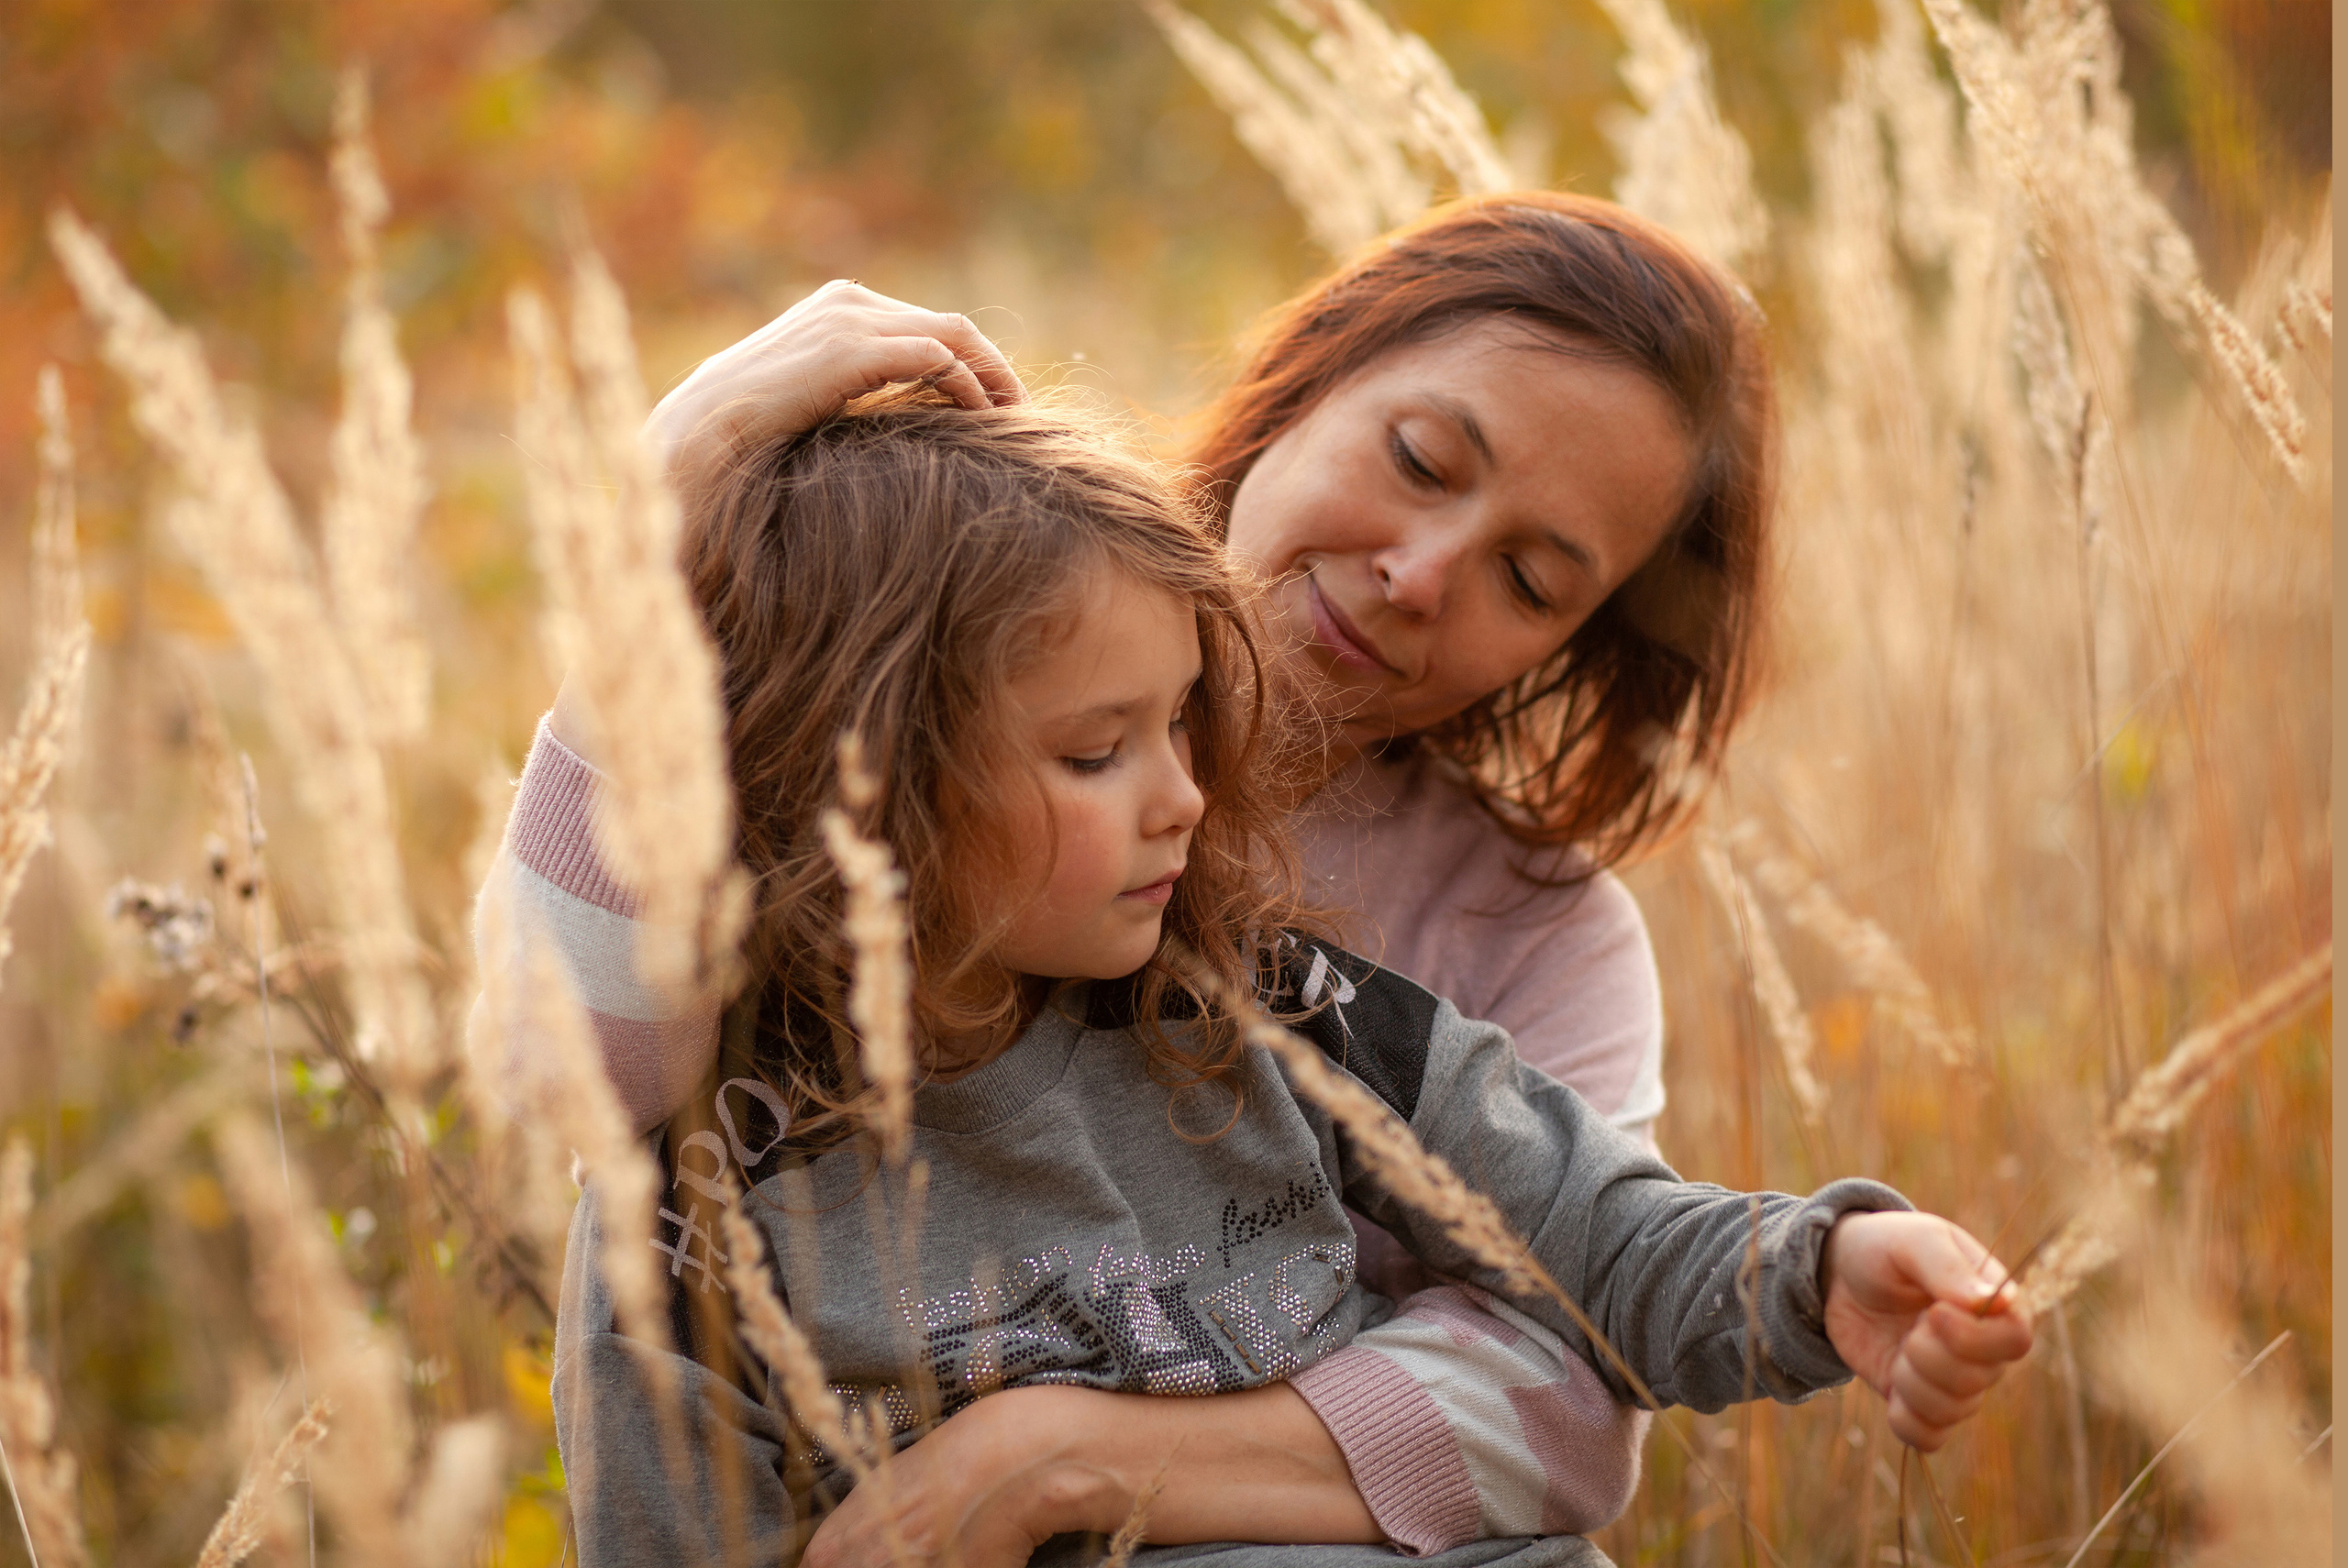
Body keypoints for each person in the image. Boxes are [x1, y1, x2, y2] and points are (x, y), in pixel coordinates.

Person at [500, 388, 2032, 1568]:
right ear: (867, 781)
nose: (1181, 795)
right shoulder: (710, 1197)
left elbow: (1598, 1235)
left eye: (1182, 724)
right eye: (1098, 752)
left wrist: (1816, 1272)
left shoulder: (1275, 1007)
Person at [604, 193, 1777, 1553]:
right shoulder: (918, 635)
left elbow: (1572, 1399)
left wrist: (1069, 1458)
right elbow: (583, 1069)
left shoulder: (1542, 935)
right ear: (1314, 370)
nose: (1419, 572)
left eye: (1527, 578)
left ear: (1570, 648)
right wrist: (663, 505)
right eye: (1418, 457)